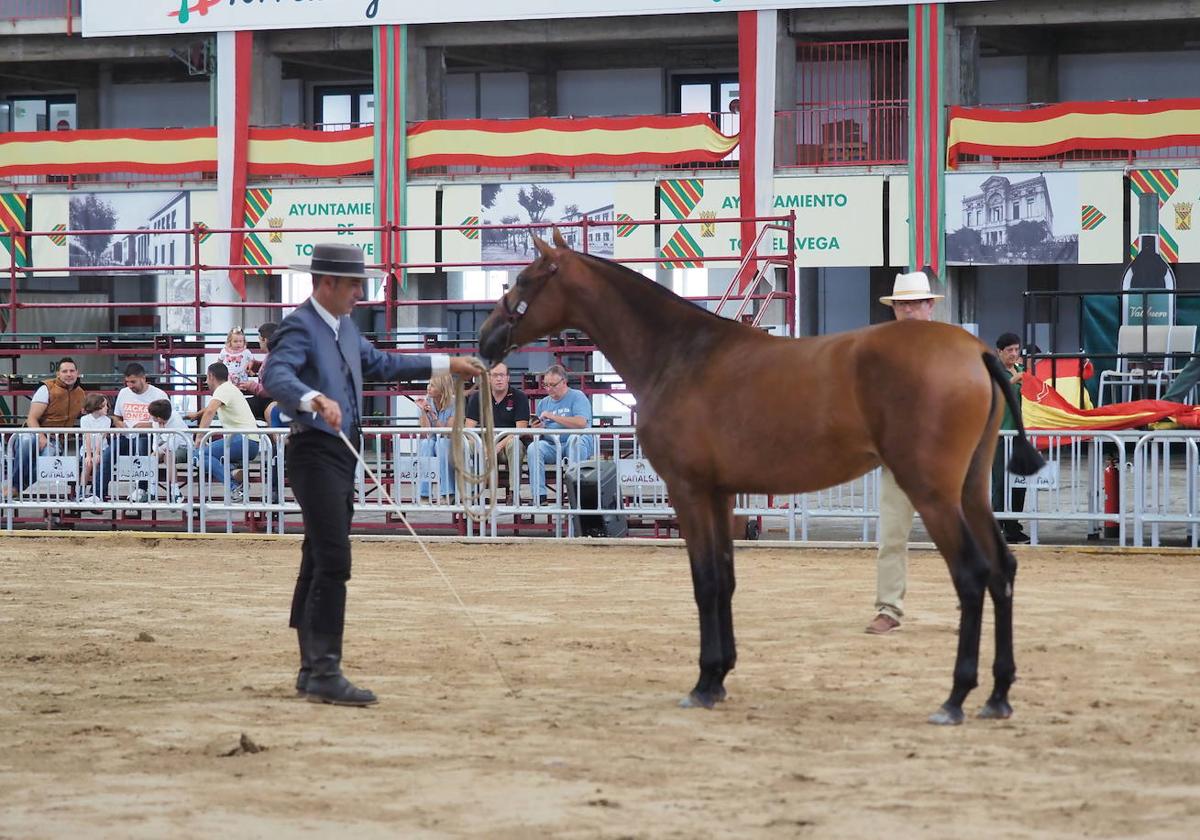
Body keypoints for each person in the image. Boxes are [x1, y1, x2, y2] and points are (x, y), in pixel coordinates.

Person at [262, 242, 478, 707]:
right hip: (315, 451)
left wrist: (447, 363)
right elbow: (276, 377)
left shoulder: (345, 329)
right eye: (354, 284)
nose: (361, 292)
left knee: (318, 557)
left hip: (339, 454)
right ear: (327, 284)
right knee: (334, 558)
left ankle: (310, 668)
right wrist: (313, 398)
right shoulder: (298, 327)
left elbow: (383, 363)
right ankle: (324, 669)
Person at [866, 269, 943, 635]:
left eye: (915, 304)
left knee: (962, 534)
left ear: (930, 306)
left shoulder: (951, 349)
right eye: (902, 304)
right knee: (891, 537)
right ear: (894, 309)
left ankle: (973, 602)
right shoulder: (881, 353)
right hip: (898, 458)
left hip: (945, 458)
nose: (909, 310)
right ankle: (888, 608)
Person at [9, 357, 85, 497]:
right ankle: (14, 485)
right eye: (65, 371)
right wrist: (41, 437)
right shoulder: (46, 388)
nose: (69, 374)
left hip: (56, 440)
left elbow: (87, 412)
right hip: (33, 432)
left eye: (72, 371)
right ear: (58, 374)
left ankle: (16, 488)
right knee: (26, 442)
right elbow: (32, 418)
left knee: (49, 457)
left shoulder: (80, 393)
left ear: (77, 373)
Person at [526, 364, 594, 506]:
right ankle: (539, 496)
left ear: (564, 382)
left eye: (553, 385)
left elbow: (581, 423)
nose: (549, 389)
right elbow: (539, 431)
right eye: (546, 385)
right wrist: (538, 429)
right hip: (553, 444)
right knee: (534, 447)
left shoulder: (577, 396)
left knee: (574, 440)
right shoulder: (544, 403)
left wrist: (553, 416)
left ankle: (575, 494)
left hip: (576, 443)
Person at [465, 362, 530, 503]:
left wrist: (498, 445)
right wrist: (482, 446)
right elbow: (469, 429)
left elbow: (521, 429)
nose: (499, 379)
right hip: (483, 444)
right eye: (495, 375)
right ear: (488, 378)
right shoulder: (477, 397)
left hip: (506, 445)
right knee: (465, 446)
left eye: (502, 375)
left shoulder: (519, 397)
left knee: (515, 444)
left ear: (508, 378)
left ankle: (514, 493)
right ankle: (470, 494)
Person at [194, 362, 259, 502]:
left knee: (198, 455)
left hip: (242, 439)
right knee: (208, 457)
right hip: (249, 441)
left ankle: (233, 487)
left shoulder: (222, 389)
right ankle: (232, 472)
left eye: (206, 377)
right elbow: (209, 409)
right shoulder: (230, 388)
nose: (206, 381)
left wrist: (199, 437)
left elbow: (211, 410)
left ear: (211, 376)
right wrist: (196, 414)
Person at [109, 362, 169, 503]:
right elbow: (116, 416)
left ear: (143, 378)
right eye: (127, 382)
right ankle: (98, 493)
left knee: (141, 444)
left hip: (148, 437)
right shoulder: (123, 393)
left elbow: (166, 420)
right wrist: (118, 423)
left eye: (133, 382)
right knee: (107, 455)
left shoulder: (159, 395)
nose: (130, 385)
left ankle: (142, 488)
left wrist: (144, 425)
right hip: (126, 436)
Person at [992, 333, 1030, 544]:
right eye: (1009, 350)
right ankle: (996, 526)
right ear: (999, 352)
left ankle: (1013, 527)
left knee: (1018, 482)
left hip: (1019, 435)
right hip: (999, 435)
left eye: (1016, 349)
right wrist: (1017, 379)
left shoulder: (1021, 370)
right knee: (1000, 483)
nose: (1014, 354)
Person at [415, 372, 456, 503]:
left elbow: (448, 432)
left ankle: (448, 492)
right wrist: (423, 412)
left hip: (452, 441)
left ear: (442, 388)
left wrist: (433, 416)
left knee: (442, 443)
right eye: (428, 384)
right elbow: (426, 432)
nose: (428, 387)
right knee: (426, 444)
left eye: (432, 385)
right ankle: (424, 493)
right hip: (433, 439)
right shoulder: (426, 401)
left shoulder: (455, 402)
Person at [148, 399, 190, 503]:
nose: (151, 417)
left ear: (159, 417)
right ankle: (152, 491)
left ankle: (175, 492)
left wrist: (159, 449)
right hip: (163, 449)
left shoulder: (176, 421)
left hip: (184, 448)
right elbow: (155, 443)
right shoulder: (155, 422)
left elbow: (173, 445)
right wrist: (157, 451)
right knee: (152, 457)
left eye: (153, 416)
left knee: (168, 455)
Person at [78, 392, 111, 504]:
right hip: (87, 448)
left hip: (102, 448)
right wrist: (88, 454)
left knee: (98, 463)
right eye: (103, 405)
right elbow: (86, 436)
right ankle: (81, 491)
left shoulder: (107, 420)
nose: (106, 408)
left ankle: (95, 491)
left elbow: (101, 436)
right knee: (87, 465)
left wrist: (97, 453)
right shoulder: (85, 419)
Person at [243, 322, 277, 420]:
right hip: (267, 399)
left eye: (259, 339)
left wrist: (252, 386)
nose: (259, 342)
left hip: (270, 400)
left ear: (264, 340)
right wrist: (257, 365)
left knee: (239, 407)